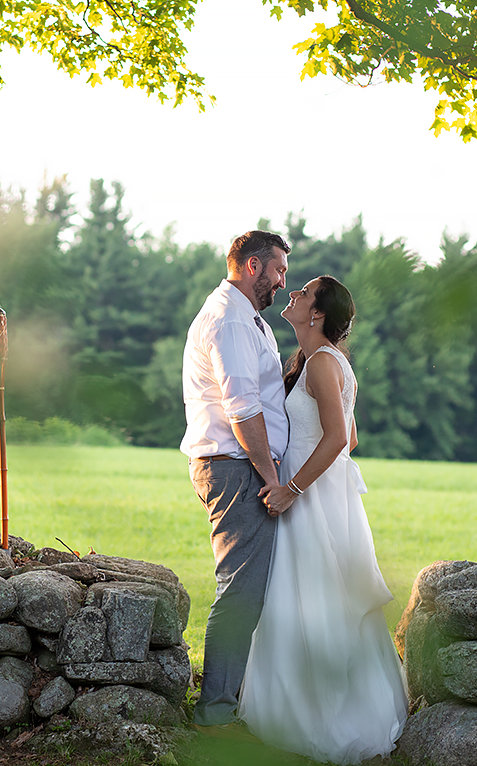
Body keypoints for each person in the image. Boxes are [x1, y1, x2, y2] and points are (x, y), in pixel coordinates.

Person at [238, 275, 408, 763]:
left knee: (314, 596)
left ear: (317, 314)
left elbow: (337, 438)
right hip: (323, 493)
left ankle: (320, 717)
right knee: (315, 593)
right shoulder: (322, 362)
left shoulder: (321, 365)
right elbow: (350, 438)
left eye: (303, 293)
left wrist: (291, 488)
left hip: (308, 497)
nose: (292, 295)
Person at [180, 230, 290, 735]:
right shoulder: (229, 320)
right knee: (240, 590)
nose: (281, 281)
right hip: (236, 467)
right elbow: (242, 409)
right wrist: (272, 479)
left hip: (242, 465)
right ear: (251, 266)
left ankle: (232, 698)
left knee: (247, 588)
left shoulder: (248, 319)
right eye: (278, 270)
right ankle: (216, 712)